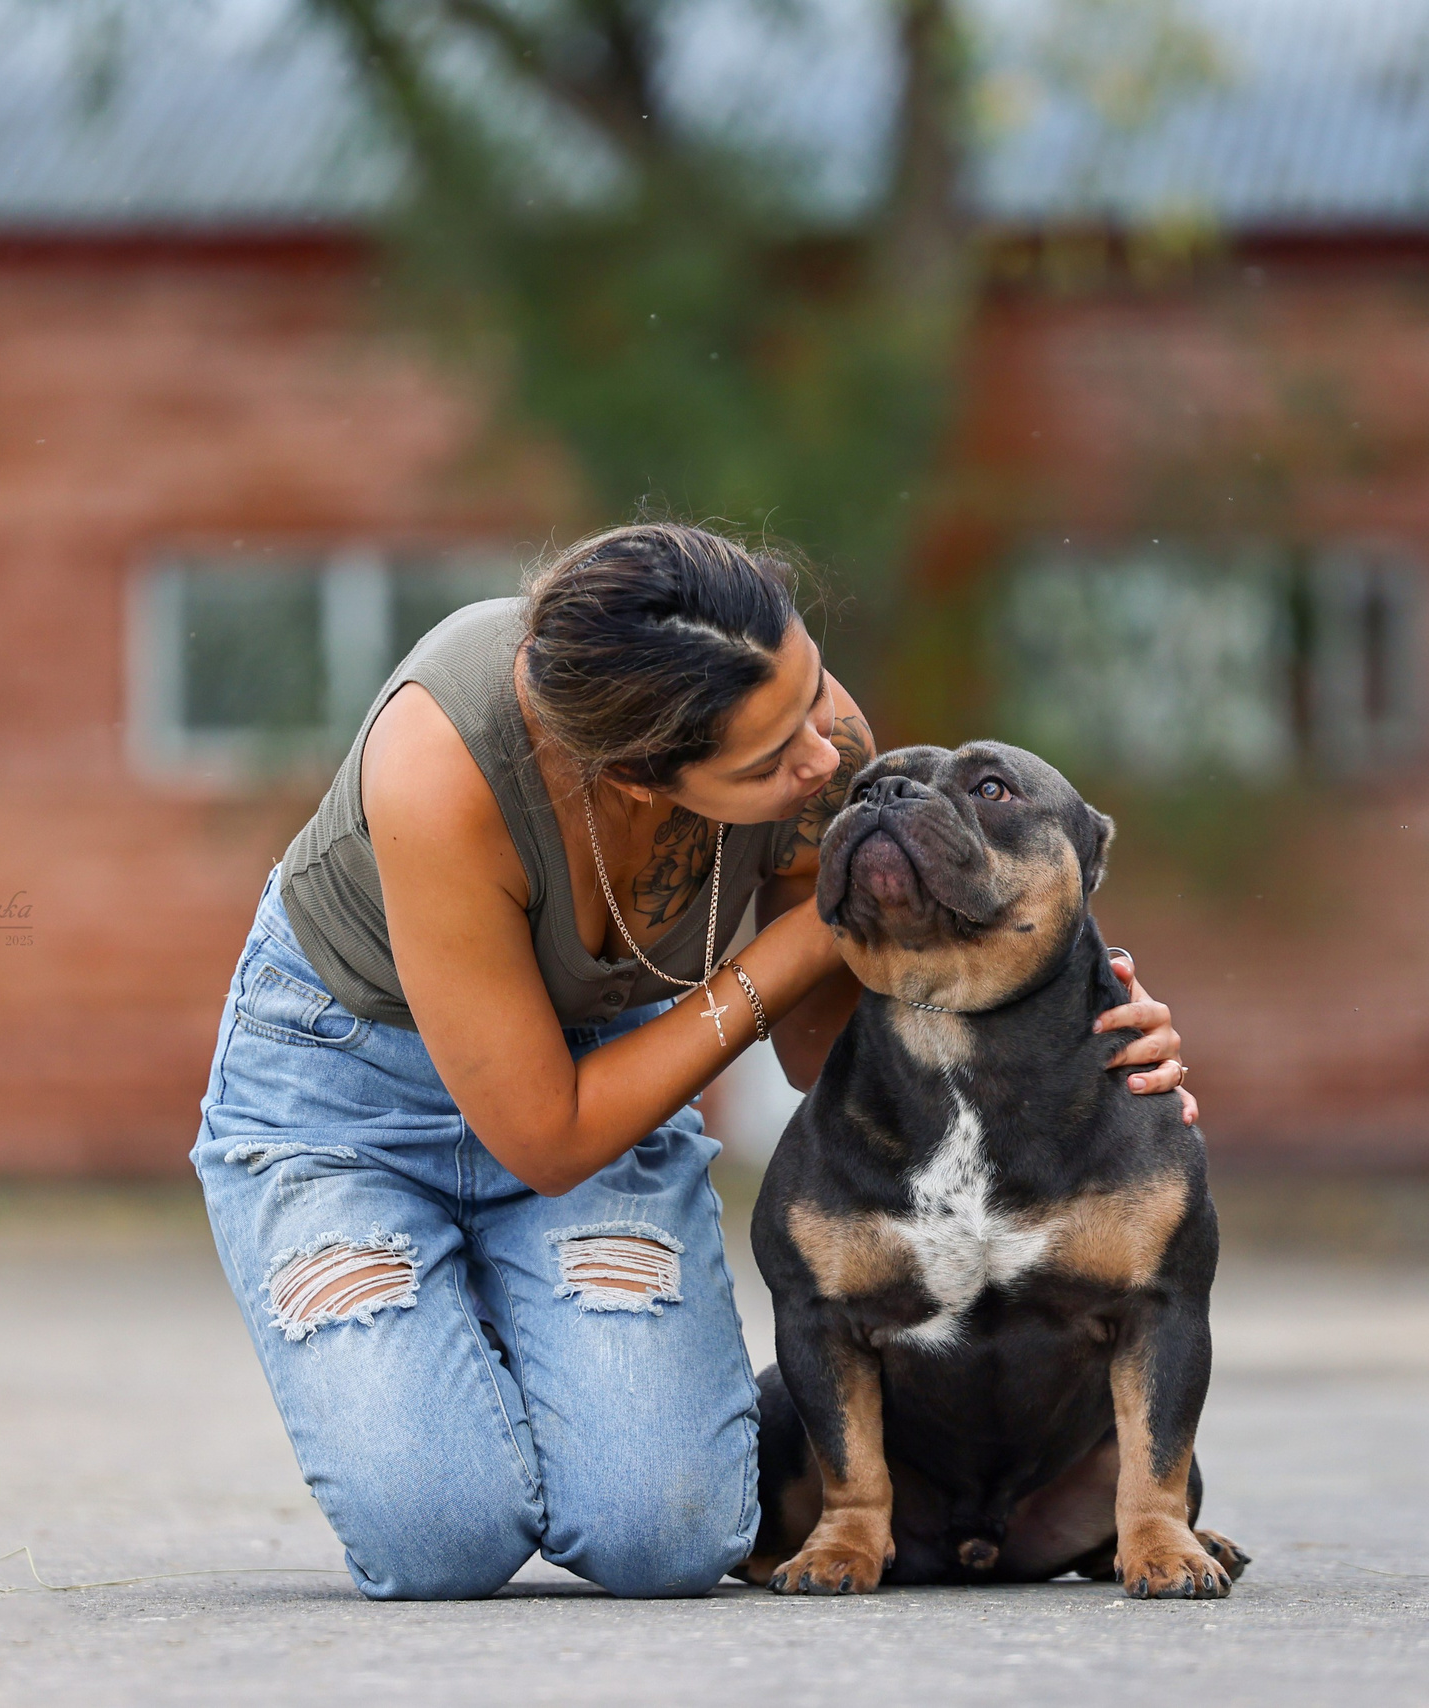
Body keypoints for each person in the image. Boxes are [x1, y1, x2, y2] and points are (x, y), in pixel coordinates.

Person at [190, 521, 1194, 1600]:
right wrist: (804, 938)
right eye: (768, 762)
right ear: (636, 776)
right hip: (351, 1107)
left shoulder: (812, 733)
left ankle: (538, 1327)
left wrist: (1070, 1020)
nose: (823, 760)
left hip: (615, 1068)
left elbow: (825, 1058)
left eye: (813, 694)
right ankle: (462, 1316)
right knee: (439, 1539)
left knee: (666, 1537)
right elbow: (544, 1137)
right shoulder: (439, 763)